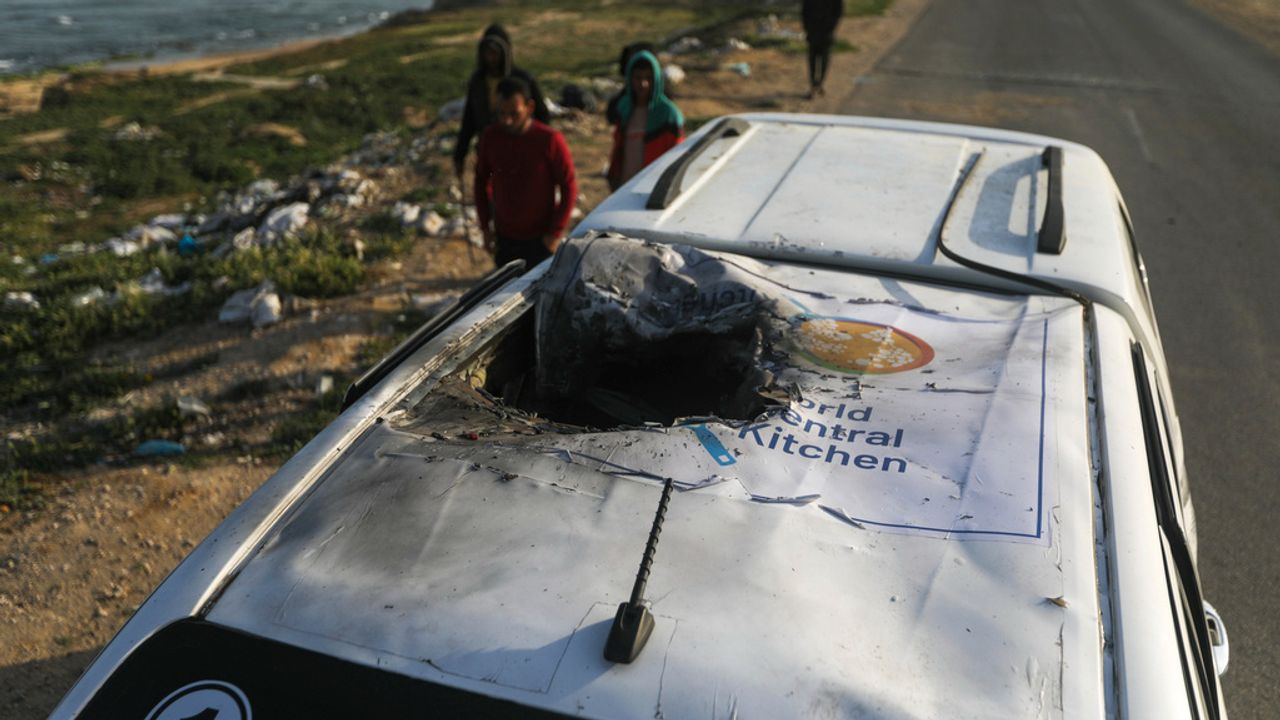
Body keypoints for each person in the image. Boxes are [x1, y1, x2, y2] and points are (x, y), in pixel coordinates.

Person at [474, 76, 577, 268]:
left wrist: (555, 233)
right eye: (501, 113)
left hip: (540, 239)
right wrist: (485, 228)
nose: (507, 120)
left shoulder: (549, 140)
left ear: (529, 107)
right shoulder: (491, 137)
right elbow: (481, 181)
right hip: (505, 238)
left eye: (514, 113)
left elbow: (568, 186)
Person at [454, 23, 550, 180]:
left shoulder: (523, 80)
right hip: (489, 148)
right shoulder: (478, 82)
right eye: (487, 52)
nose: (491, 57)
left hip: (521, 146)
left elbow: (542, 115)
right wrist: (460, 154)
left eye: (495, 52)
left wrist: (540, 146)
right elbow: (469, 119)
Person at [607, 50, 684, 191]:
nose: (643, 84)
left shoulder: (668, 115)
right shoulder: (623, 108)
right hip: (624, 188)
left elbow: (676, 159)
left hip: (652, 189)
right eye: (638, 78)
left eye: (648, 78)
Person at [802, 0, 843, 98]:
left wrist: (831, 26)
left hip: (825, 29)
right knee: (813, 59)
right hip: (814, 29)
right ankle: (814, 84)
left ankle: (819, 83)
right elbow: (804, 11)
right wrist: (807, 28)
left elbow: (838, 11)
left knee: (823, 58)